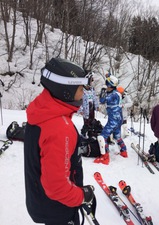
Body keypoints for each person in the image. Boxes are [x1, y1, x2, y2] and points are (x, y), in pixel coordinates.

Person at [24, 57, 95, 225]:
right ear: (66, 91)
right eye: (80, 88)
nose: (83, 93)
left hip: (43, 202)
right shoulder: (60, 129)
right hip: (59, 210)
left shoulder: (44, 110)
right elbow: (57, 187)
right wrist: (82, 196)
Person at [94, 74, 128, 165]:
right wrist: (109, 75)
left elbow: (102, 100)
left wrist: (103, 91)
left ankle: (105, 157)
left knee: (103, 137)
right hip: (118, 119)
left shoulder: (113, 95)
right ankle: (124, 151)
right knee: (117, 136)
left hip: (114, 120)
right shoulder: (116, 92)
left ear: (110, 86)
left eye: (107, 84)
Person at [78, 74, 100, 138]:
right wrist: (81, 110)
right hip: (86, 108)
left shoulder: (92, 89)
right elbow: (79, 100)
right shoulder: (82, 90)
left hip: (91, 107)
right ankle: (84, 134)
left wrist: (96, 106)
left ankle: (91, 133)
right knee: (87, 122)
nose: (91, 82)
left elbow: (94, 98)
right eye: (90, 81)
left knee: (92, 120)